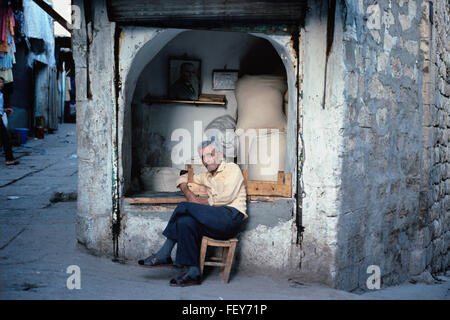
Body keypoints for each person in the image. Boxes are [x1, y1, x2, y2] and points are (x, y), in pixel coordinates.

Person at [138, 138, 247, 287]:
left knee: (184, 207)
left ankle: (163, 254)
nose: (206, 160)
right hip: (214, 220)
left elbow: (224, 198)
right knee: (185, 222)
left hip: (231, 218)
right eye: (203, 157)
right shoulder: (207, 176)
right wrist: (188, 193)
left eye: (210, 155)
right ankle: (193, 272)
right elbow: (183, 178)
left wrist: (194, 205)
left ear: (220, 155)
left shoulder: (232, 169)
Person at [0, 77, 18, 166]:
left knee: (5, 138)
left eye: (2, 82)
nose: (1, 84)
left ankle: (9, 159)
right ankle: (9, 159)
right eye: (0, 82)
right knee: (6, 138)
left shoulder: (1, 94)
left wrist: (5, 110)